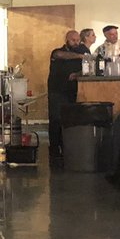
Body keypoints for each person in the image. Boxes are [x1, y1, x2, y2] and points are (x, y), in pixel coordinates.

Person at [47, 29, 89, 165]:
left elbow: (87, 68)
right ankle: (54, 150)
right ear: (67, 40)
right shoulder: (58, 52)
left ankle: (67, 149)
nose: (76, 43)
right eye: (73, 40)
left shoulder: (83, 51)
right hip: (57, 90)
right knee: (56, 120)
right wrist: (80, 56)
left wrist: (77, 74)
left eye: (77, 40)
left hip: (73, 91)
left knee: (69, 120)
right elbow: (60, 55)